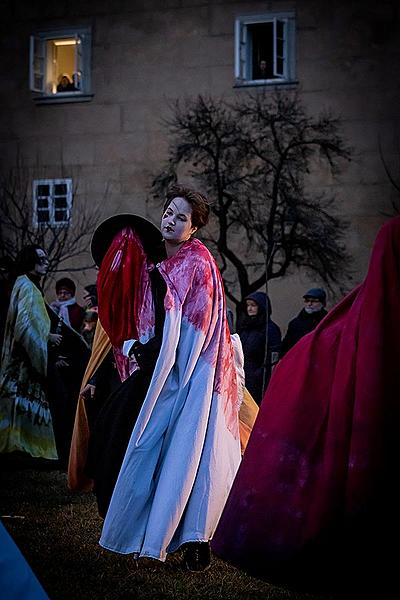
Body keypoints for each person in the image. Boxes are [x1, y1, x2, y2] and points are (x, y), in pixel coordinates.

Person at [212, 217, 400, 594]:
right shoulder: (317, 330)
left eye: (252, 306)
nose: (248, 310)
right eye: (245, 306)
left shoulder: (278, 328)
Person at [84, 185, 241, 572]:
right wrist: (141, 350)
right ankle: (152, 534)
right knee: (149, 449)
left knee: (190, 456)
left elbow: (197, 329)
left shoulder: (198, 262)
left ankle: (193, 539)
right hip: (162, 374)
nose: (170, 220)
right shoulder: (159, 263)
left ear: (194, 229)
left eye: (181, 217)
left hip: (195, 379)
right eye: (169, 212)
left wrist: (158, 357)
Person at [0, 245, 60, 459]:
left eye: (46, 258)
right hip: (24, 362)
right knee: (22, 402)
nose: (46, 262)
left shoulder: (26, 284)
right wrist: (46, 338)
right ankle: (23, 448)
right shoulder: (26, 286)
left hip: (23, 360)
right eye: (40, 258)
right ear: (30, 260)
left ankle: (21, 447)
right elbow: (25, 326)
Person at [238, 292, 281, 404]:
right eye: (248, 305)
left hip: (260, 379)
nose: (250, 308)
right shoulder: (245, 327)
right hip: (243, 375)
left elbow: (273, 356)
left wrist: (261, 373)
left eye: (253, 305)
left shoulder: (270, 329)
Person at [280, 287, 327, 357]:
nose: (309, 304)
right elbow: (286, 346)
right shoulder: (295, 324)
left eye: (314, 301)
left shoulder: (327, 323)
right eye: (307, 301)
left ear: (323, 304)